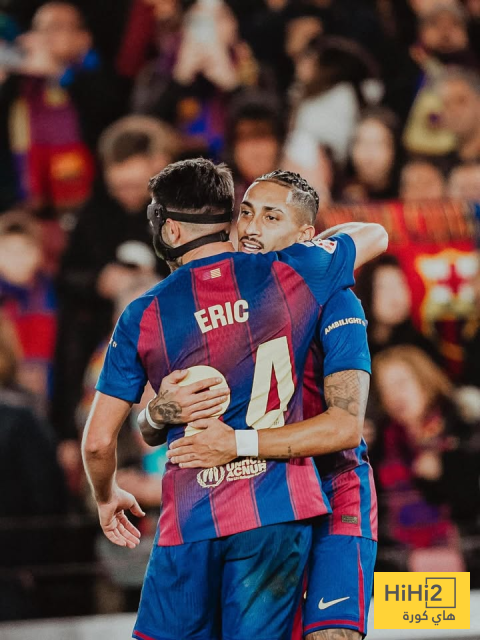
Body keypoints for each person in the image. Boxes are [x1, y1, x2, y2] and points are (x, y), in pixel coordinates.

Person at [82, 158, 387, 640]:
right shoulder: (288, 275)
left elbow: (345, 428)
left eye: (271, 215)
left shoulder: (325, 287)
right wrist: (156, 415)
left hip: (330, 483)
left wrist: (234, 444)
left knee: (332, 635)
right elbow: (171, 417)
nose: (252, 226)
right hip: (274, 500)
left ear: (306, 234)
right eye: (246, 212)